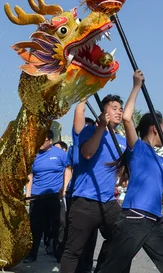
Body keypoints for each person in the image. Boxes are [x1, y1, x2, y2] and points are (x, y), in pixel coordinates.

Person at [97, 70, 163, 273]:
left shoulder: (160, 161)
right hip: (134, 218)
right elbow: (127, 118)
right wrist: (136, 86)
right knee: (112, 269)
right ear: (154, 129)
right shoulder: (138, 149)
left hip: (154, 223)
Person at [60, 95, 127, 273]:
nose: (119, 111)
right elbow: (88, 154)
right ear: (103, 112)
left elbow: (125, 169)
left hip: (108, 203)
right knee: (74, 251)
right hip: (84, 202)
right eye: (114, 108)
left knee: (124, 238)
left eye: (120, 108)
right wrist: (101, 127)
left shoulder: (122, 141)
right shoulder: (88, 132)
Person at [58, 102, 97, 273]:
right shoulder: (74, 147)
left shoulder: (98, 146)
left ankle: (86, 267)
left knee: (91, 236)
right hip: (75, 194)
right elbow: (68, 169)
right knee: (74, 236)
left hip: (94, 197)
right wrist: (65, 189)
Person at [23, 130, 67, 263]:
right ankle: (31, 255)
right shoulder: (33, 155)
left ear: (50, 141)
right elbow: (30, 175)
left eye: (43, 140)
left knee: (58, 226)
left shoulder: (60, 154)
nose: (40, 143)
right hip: (37, 197)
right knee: (35, 227)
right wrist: (28, 194)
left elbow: (69, 170)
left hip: (54, 196)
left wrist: (64, 188)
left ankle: (59, 254)